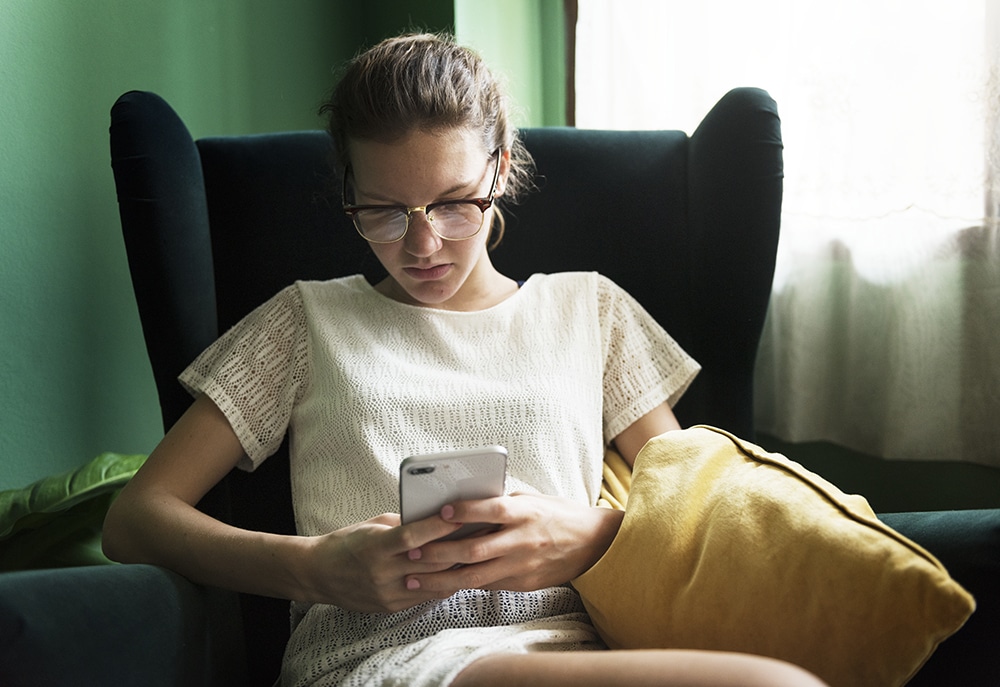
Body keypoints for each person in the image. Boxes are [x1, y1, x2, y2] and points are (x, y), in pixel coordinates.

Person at [103, 32, 826, 687]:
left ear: (500, 169)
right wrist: (315, 565)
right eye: (385, 210)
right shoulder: (305, 320)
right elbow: (135, 518)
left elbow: (697, 514)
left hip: (578, 649)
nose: (423, 246)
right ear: (348, 190)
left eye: (454, 204)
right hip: (380, 659)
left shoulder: (591, 311)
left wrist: (590, 537)